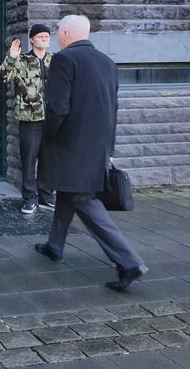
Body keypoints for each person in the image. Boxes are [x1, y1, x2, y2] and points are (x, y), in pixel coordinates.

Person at [35, 15, 148, 291]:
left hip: (70, 145)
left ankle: (130, 262)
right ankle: (55, 245)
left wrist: (45, 134)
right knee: (68, 192)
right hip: (96, 146)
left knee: (83, 199)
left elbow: (58, 108)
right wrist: (108, 147)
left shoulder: (64, 60)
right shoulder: (107, 62)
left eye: (58, 32)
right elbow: (114, 107)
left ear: (64, 34)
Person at [0, 24, 56, 214]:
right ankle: (30, 198)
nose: (44, 38)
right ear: (32, 39)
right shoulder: (21, 60)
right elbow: (2, 77)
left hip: (52, 118)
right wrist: (11, 56)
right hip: (30, 118)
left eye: (47, 36)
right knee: (29, 160)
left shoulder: (55, 60)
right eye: (40, 36)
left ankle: (46, 195)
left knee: (48, 159)